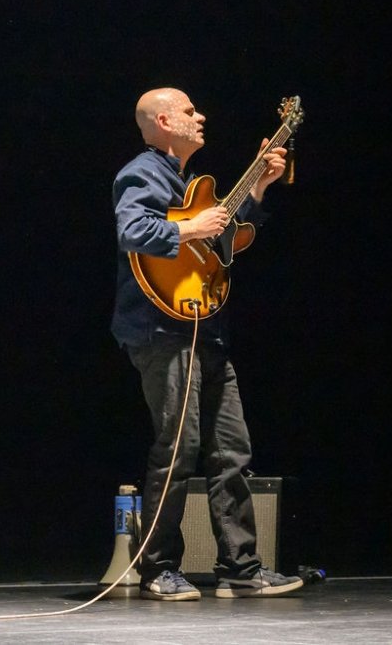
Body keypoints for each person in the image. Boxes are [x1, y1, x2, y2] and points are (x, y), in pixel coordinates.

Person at [111, 87, 303, 600]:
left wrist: (258, 188)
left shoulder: (188, 182)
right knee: (179, 448)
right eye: (192, 111)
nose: (202, 116)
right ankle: (157, 568)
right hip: (163, 330)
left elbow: (226, 242)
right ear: (166, 120)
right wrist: (191, 226)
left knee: (232, 450)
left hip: (204, 327)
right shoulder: (142, 172)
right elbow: (132, 229)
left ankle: (240, 567)